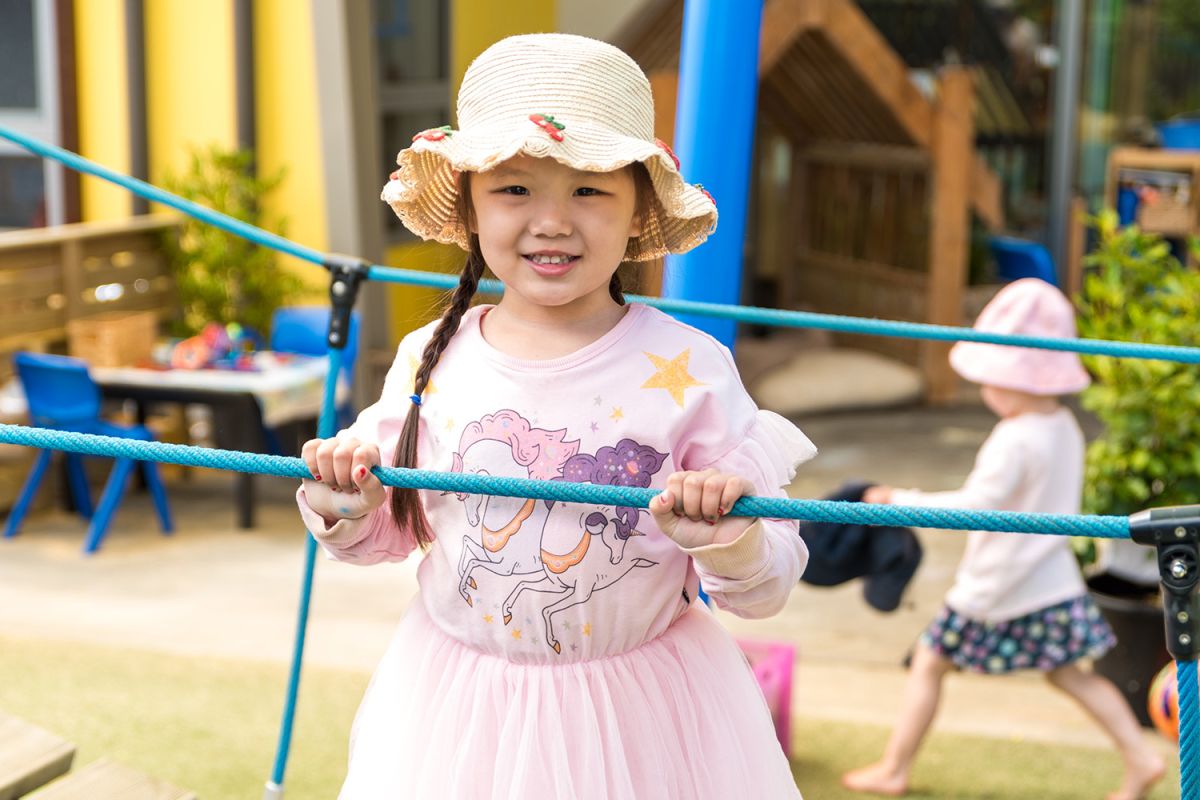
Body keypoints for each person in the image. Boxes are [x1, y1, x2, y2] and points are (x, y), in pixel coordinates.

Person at [297, 33, 815, 800]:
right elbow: (388, 535)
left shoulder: (693, 369)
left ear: (639, 207)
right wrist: (345, 500)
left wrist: (728, 542)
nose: (551, 222)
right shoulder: (429, 359)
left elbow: (765, 586)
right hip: (460, 712)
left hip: (648, 715)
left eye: (588, 190)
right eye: (514, 190)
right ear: (470, 205)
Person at [841, 278, 1166, 800]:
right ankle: (1141, 756)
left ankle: (894, 769)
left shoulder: (1014, 438)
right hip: (1049, 580)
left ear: (1013, 379)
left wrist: (897, 500)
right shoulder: (1063, 426)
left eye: (988, 377)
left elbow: (976, 508)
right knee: (1069, 674)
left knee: (929, 661)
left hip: (997, 585)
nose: (984, 388)